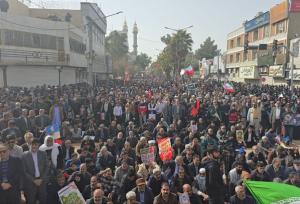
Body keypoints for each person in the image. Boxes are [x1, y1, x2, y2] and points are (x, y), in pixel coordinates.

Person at [22, 138, 49, 204]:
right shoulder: (24, 155)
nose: (34, 146)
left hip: (42, 182)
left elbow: (47, 167)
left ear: (39, 145)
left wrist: (41, 179)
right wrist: (34, 180)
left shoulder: (43, 154)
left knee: (43, 200)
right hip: (30, 183)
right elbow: (24, 171)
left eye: (36, 144)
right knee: (31, 201)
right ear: (29, 145)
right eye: (32, 144)